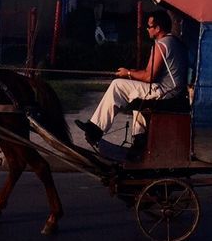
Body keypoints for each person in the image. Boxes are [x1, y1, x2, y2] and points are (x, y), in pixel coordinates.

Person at [76, 9, 187, 150]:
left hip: (166, 92)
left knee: (118, 85)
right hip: (173, 91)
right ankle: (139, 141)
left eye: (149, 26)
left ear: (158, 29)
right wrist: (133, 73)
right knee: (135, 95)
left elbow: (149, 76)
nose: (147, 29)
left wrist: (128, 73)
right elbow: (154, 73)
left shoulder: (161, 45)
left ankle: (95, 129)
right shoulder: (175, 42)